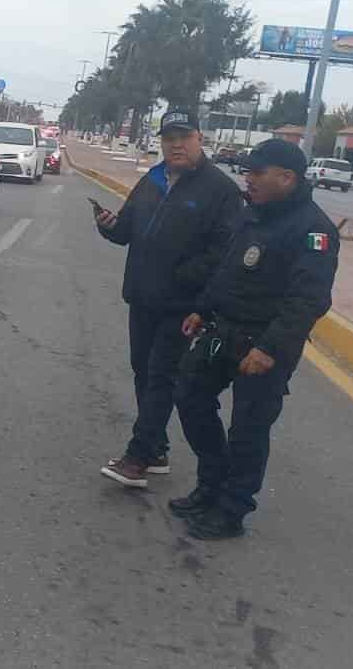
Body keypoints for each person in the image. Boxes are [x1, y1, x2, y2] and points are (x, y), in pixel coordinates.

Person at [169, 139, 338, 539]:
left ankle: (232, 509)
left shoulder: (314, 230)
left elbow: (308, 299)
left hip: (264, 345)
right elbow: (229, 270)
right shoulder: (253, 214)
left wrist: (270, 349)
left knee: (247, 429)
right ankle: (211, 484)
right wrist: (202, 309)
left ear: (287, 177)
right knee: (190, 396)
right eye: (248, 171)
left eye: (257, 172)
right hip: (222, 331)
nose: (249, 178)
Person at [94, 108, 243, 488]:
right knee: (142, 371)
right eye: (168, 138)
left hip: (182, 305)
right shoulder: (153, 179)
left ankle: (138, 456)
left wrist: (184, 278)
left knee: (162, 376)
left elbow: (224, 250)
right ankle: (157, 446)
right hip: (142, 297)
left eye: (184, 137)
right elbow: (128, 229)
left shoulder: (220, 190)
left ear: (199, 139)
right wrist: (109, 226)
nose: (175, 144)